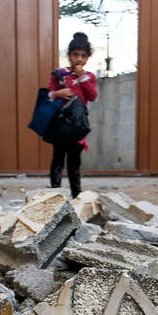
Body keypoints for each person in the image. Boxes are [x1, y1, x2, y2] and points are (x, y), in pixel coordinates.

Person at [48, 32, 98, 198]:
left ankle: (76, 196)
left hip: (77, 126)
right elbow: (47, 96)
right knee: (58, 159)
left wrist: (81, 77)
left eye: (83, 56)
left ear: (88, 57)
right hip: (61, 125)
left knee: (74, 162)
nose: (79, 59)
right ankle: (55, 194)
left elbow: (92, 96)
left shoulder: (89, 77)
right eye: (75, 55)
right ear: (69, 55)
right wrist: (57, 94)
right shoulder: (59, 75)